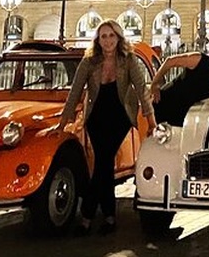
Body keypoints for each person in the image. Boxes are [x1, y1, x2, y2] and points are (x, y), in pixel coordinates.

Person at [56, 19, 156, 236]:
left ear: (118, 38)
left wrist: (151, 121)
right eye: (104, 36)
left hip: (120, 115)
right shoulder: (89, 61)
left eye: (112, 36)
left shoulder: (128, 59)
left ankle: (87, 216)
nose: (108, 40)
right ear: (98, 40)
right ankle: (108, 217)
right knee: (104, 164)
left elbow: (141, 89)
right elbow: (75, 92)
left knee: (103, 161)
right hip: (96, 116)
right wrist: (63, 122)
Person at [149, 38, 209, 126]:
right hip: (163, 102)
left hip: (180, 115)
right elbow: (170, 61)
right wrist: (155, 84)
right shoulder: (199, 60)